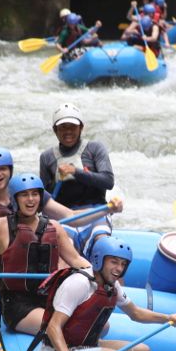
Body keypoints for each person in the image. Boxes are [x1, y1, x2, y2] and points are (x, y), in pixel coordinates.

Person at [0, 173, 92, 335]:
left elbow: (75, 259)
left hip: (50, 297)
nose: (30, 199)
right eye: (24, 195)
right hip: (18, 303)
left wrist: (95, 274)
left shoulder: (54, 227)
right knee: (70, 329)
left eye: (35, 194)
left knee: (97, 325)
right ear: (14, 199)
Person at [39, 236, 176, 351]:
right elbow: (53, 327)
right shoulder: (79, 283)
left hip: (86, 346)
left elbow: (136, 313)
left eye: (123, 264)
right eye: (113, 262)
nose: (119, 269)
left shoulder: (112, 285)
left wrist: (167, 318)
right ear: (98, 260)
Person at [0, 146, 123, 256]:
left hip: (36, 260)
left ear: (10, 170)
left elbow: (71, 216)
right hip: (3, 267)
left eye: (3, 169)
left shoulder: (29, 193)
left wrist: (107, 209)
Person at [40, 103, 118, 257]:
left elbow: (108, 181)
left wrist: (75, 172)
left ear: (81, 128)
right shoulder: (47, 157)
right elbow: (44, 198)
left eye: (72, 127)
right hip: (65, 215)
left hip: (95, 212)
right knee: (64, 246)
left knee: (103, 245)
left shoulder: (95, 148)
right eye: (63, 127)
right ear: (55, 130)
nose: (68, 131)